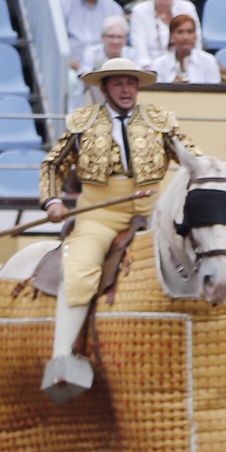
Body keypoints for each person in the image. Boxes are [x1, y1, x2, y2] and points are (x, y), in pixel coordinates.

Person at [36, 57, 196, 396]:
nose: (126, 90)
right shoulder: (83, 121)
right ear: (105, 88)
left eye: (131, 83)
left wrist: (214, 173)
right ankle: (62, 358)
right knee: (80, 270)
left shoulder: (160, 120)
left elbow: (192, 159)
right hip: (99, 214)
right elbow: (52, 165)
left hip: (151, 212)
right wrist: (52, 202)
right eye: (119, 83)